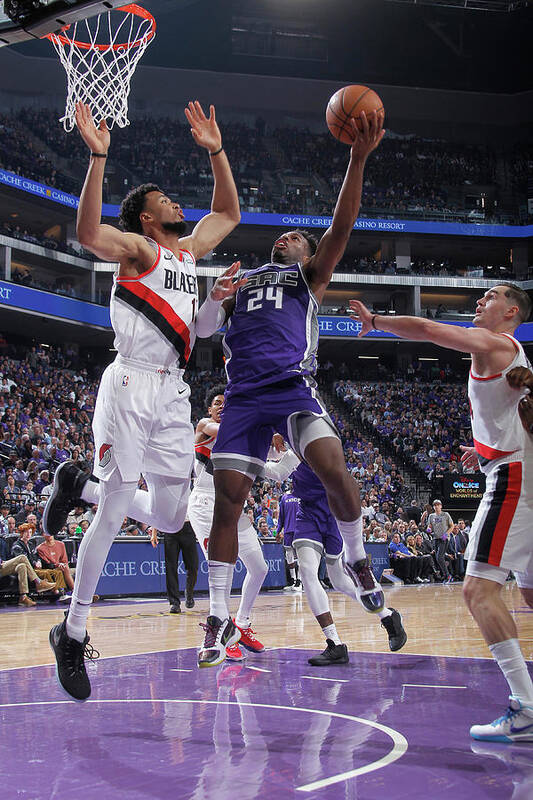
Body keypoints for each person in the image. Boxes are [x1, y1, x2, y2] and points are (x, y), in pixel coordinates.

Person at [45, 99, 241, 701]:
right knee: (118, 507)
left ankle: (77, 486)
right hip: (129, 384)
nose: (178, 207)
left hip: (174, 395)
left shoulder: (188, 254)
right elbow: (85, 233)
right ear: (148, 219)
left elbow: (228, 212)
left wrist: (215, 148)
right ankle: (73, 631)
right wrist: (98, 156)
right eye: (166, 204)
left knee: (171, 517)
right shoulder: (139, 250)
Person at [195, 110, 385, 666]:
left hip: (292, 386)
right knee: (227, 506)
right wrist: (213, 298)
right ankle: (215, 619)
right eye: (285, 235)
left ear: (307, 254)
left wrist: (356, 160)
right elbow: (205, 332)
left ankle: (356, 558)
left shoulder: (308, 278)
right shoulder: (242, 279)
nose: (289, 238)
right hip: (245, 398)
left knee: (333, 466)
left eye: (298, 237)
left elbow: (340, 228)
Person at [350, 283, 533, 742]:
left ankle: (526, 708)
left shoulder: (497, 343)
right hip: (512, 464)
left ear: (511, 311)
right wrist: (482, 450)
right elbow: (512, 413)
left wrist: (377, 323)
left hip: (514, 478)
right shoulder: (515, 356)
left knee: (478, 592)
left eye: (489, 296)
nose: (479, 301)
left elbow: (431, 330)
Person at [262, 442, 406, 664]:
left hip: (334, 512)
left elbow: (279, 473)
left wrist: (247, 461)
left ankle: (387, 615)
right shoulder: (293, 447)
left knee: (338, 580)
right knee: (308, 572)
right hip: (307, 513)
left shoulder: (312, 445)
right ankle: (334, 643)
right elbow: (277, 464)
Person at [187, 385, 268, 663]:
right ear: (210, 409)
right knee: (224, 565)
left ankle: (241, 624)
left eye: (227, 403)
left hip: (233, 503)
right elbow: (227, 432)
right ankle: (220, 631)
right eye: (217, 403)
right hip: (204, 503)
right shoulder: (205, 425)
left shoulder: (239, 433)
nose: (222, 406)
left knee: (260, 567)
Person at [150, 520, 198, 614]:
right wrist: (154, 533)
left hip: (188, 527)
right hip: (170, 528)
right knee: (171, 567)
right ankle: (174, 603)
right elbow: (158, 511)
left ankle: (189, 591)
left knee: (193, 566)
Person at [0, 535, 55, 606]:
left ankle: (23, 597)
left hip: (2, 564)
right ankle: (38, 582)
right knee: (22, 557)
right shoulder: (16, 544)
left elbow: (7, 556)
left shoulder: (1, 541)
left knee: (22, 566)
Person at [276, 488, 302, 593]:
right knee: (289, 556)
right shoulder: (284, 497)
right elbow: (281, 516)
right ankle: (293, 580)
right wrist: (278, 531)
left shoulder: (303, 494)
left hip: (301, 530)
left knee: (301, 556)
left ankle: (299, 581)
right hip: (288, 530)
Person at [427, 500, 454, 583]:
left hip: (444, 538)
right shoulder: (431, 516)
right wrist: (429, 529)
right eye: (435, 505)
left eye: (438, 505)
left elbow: (452, 525)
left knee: (439, 557)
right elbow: (430, 525)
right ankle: (447, 574)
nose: (436, 506)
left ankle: (447, 575)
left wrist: (446, 534)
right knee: (438, 558)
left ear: (441, 506)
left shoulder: (445, 515)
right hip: (435, 538)